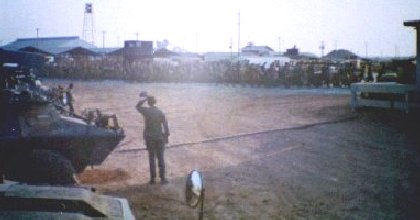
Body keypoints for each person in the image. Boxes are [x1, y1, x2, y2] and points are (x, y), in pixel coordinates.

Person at [136, 92, 170, 184]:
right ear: (155, 102)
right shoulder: (160, 112)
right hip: (159, 137)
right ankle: (163, 178)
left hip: (150, 138)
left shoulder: (146, 111)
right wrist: (166, 136)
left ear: (148, 103)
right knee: (161, 158)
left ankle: (152, 179)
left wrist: (144, 99)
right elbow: (165, 125)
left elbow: (137, 106)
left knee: (151, 158)